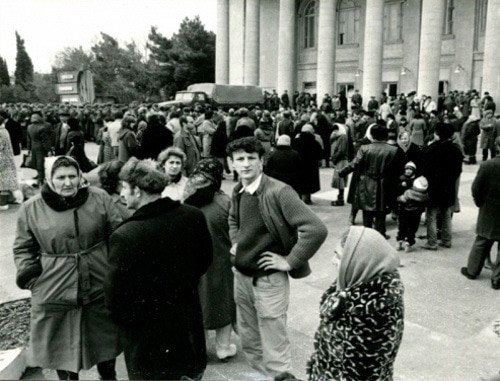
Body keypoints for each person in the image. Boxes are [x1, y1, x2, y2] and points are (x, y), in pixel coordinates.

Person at [226, 137, 328, 379]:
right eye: (240, 159)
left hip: (269, 280)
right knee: (250, 344)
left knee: (275, 348)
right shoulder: (238, 189)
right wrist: (236, 242)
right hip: (242, 277)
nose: (246, 164)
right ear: (231, 164)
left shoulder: (279, 191)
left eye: (252, 158)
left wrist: (290, 261)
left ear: (262, 162)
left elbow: (315, 229)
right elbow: (232, 220)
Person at [13, 156, 122, 380]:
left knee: (105, 344)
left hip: (97, 281)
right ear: (50, 179)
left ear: (80, 176)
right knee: (61, 351)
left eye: (72, 176)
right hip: (54, 286)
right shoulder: (31, 208)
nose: (68, 183)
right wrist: (32, 277)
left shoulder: (99, 198)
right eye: (60, 177)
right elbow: (23, 248)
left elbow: (118, 235)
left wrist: (114, 269)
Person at [104, 157, 212, 380]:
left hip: (147, 346)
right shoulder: (193, 216)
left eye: (125, 187)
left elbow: (115, 299)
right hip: (187, 333)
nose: (122, 194)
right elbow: (204, 261)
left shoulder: (125, 236)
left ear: (138, 191)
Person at [307, 227, 404, 381]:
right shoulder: (357, 284)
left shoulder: (370, 312)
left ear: (359, 262)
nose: (333, 261)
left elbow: (358, 372)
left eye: (339, 257)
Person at [183, 159, 237, 360]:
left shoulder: (186, 199)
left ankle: (201, 348)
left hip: (192, 263)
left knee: (197, 304)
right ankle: (223, 348)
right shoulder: (226, 202)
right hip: (220, 261)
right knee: (223, 302)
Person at [339, 124, 400, 238]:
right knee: (381, 211)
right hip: (384, 184)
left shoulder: (365, 148)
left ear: (372, 135)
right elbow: (396, 170)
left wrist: (342, 172)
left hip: (366, 183)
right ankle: (380, 234)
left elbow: (354, 164)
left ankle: (367, 235)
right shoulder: (393, 150)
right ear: (385, 136)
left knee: (367, 212)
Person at [461, 137, 500, 289]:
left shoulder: (487, 165)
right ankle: (497, 279)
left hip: (489, 208)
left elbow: (476, 188)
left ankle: (472, 270)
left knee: (482, 241)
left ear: (496, 146)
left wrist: (479, 202)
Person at [421, 123, 463, 250]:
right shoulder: (456, 150)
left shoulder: (431, 149)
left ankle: (432, 242)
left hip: (433, 186)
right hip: (448, 186)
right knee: (446, 214)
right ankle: (446, 240)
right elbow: (457, 171)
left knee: (431, 214)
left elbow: (424, 169)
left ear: (436, 134)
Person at [292, 124, 323, 204]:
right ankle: (307, 199)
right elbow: (320, 154)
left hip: (298, 165)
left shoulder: (296, 141)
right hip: (311, 166)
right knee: (309, 182)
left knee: (299, 181)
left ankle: (298, 197)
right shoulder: (314, 142)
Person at [396, 175, 429, 252]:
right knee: (412, 229)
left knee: (402, 227)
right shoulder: (425, 196)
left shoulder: (408, 192)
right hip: (416, 214)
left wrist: (398, 198)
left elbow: (401, 199)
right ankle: (408, 243)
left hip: (404, 212)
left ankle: (400, 241)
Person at [0, 110, 18, 210]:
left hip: (2, 159)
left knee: (3, 182)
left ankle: (3, 203)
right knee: (5, 181)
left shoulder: (1, 133)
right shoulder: (4, 131)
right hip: (6, 159)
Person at [330, 124, 349, 206]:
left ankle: (340, 199)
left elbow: (342, 151)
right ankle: (340, 198)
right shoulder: (339, 137)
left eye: (336, 130)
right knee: (339, 180)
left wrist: (333, 158)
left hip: (341, 160)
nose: (334, 132)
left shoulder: (343, 137)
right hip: (340, 160)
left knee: (340, 179)